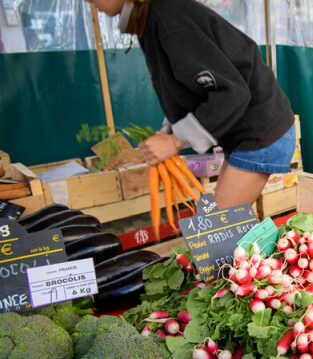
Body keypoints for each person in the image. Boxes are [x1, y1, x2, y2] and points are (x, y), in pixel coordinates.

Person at [85, 0, 295, 209]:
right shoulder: (151, 19)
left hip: (261, 130)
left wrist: (176, 141)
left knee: (216, 228)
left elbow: (233, 92)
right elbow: (186, 88)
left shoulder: (169, 18)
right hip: (245, 133)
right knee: (222, 225)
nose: (88, 1)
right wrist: (169, 131)